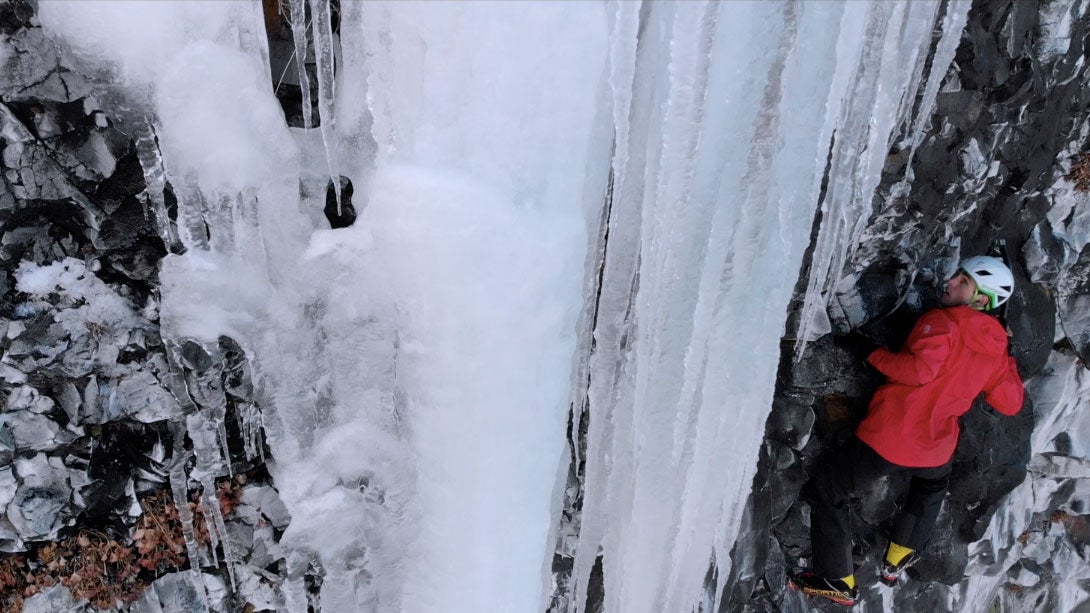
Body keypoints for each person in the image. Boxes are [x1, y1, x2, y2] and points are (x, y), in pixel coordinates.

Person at [789, 256, 1025, 606]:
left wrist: (871, 352)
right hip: (935, 447)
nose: (949, 282)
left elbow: (917, 372)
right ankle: (898, 556)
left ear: (980, 300)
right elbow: (1010, 403)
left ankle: (836, 579)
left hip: (891, 438)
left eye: (962, 281)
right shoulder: (996, 349)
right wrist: (1007, 357)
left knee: (828, 490)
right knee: (931, 486)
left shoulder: (942, 322)